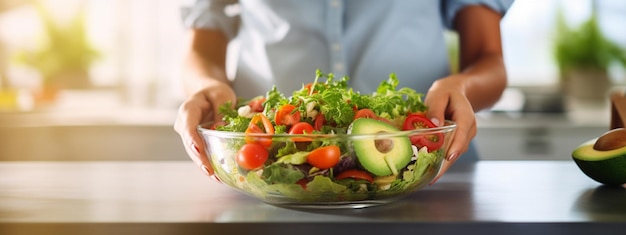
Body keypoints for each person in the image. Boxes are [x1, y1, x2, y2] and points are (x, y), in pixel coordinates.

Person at [174, 0, 514, 185]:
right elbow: (203, 44)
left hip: (426, 175)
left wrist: (461, 86)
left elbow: (488, 59)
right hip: (267, 175)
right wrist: (206, 87)